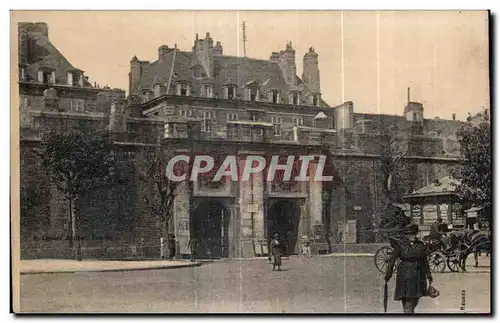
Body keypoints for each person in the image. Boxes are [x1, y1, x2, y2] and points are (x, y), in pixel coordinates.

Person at [385, 224, 433, 314]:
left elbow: (392, 261)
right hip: (418, 274)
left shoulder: (400, 245)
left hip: (404, 274)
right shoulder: (421, 245)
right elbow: (425, 261)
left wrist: (388, 275)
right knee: (413, 300)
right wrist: (429, 275)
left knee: (408, 301)